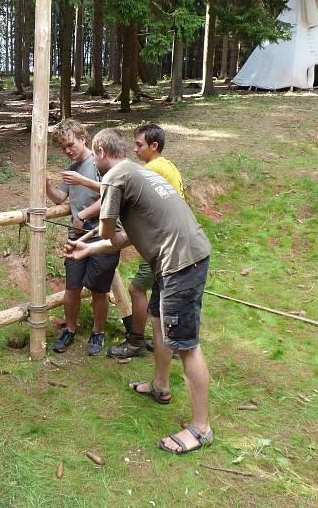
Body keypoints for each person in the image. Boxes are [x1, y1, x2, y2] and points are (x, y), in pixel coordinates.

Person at [64, 128, 213, 454]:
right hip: (179, 256)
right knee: (159, 320)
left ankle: (201, 428)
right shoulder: (135, 171)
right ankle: (160, 386)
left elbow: (106, 230)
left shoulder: (115, 176)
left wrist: (88, 237)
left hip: (180, 261)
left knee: (186, 344)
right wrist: (86, 250)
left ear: (100, 151)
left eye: (95, 156)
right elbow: (125, 237)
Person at [108, 123, 184, 359]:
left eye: (139, 145)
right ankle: (168, 344)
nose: (135, 149)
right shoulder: (166, 166)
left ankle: (135, 342)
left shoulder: (153, 169)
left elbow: (123, 194)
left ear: (154, 146)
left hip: (162, 242)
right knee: (162, 293)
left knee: (137, 288)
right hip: (172, 240)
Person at [46, 119, 121, 355]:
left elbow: (110, 195)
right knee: (72, 286)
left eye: (70, 144)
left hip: (102, 234)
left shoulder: (98, 163)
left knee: (99, 289)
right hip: (77, 235)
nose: (68, 150)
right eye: (63, 148)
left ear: (82, 138)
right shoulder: (72, 167)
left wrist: (82, 215)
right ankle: (69, 329)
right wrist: (46, 186)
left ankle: (97, 333)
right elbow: (60, 198)